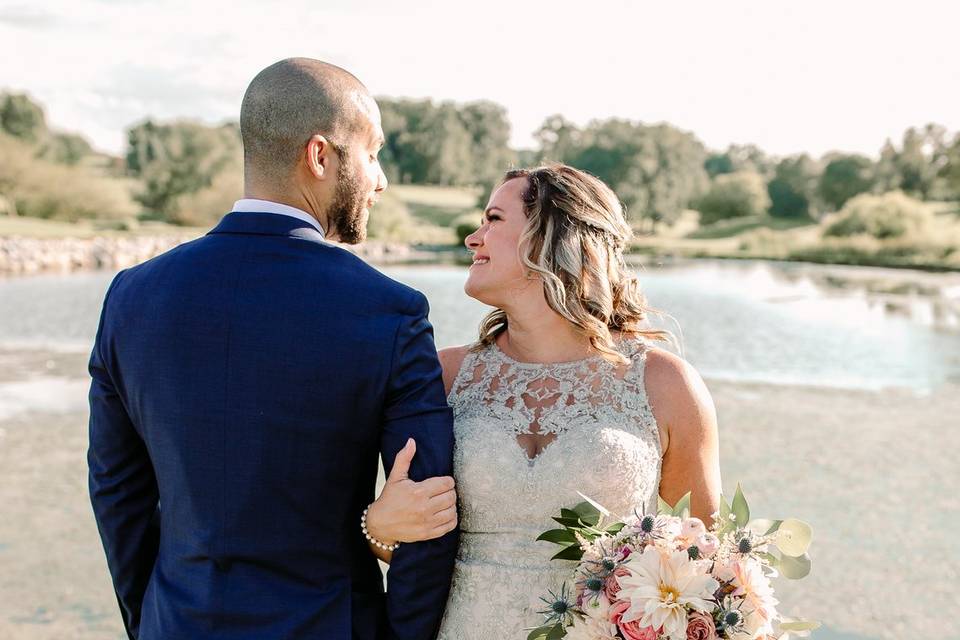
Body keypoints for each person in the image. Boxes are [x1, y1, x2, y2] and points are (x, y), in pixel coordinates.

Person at [87, 58, 458, 640]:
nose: (380, 179)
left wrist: (152, 621)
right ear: (320, 156)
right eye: (373, 153)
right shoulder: (388, 310)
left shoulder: (132, 296)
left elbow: (117, 492)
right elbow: (431, 508)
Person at [364, 164, 722, 639]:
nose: (473, 238)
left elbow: (705, 559)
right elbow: (394, 543)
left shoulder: (664, 383)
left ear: (556, 237)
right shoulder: (441, 376)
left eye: (493, 219)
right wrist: (379, 528)